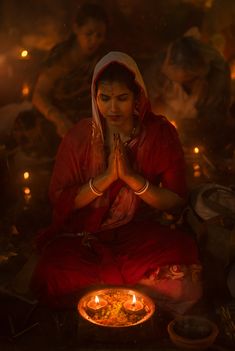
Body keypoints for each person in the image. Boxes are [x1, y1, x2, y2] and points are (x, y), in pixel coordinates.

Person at [31, 51, 202, 315]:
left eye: (122, 98)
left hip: (136, 233)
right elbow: (60, 198)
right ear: (94, 97)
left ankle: (100, 292)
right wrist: (105, 179)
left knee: (184, 258)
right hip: (85, 237)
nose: (112, 109)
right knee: (48, 273)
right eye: (105, 98)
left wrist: (134, 180)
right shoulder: (79, 137)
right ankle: (138, 290)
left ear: (137, 98)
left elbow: (176, 199)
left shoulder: (159, 135)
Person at [143, 35, 231, 152]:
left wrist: (188, 126)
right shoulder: (158, 74)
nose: (187, 85)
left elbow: (216, 120)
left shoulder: (216, 76)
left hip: (202, 137)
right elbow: (150, 107)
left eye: (190, 80)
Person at [32, 2, 108, 138]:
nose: (94, 40)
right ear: (76, 28)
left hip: (88, 123)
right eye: (89, 34)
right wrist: (59, 119)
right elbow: (39, 95)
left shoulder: (102, 60)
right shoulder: (60, 57)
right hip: (56, 120)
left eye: (99, 35)